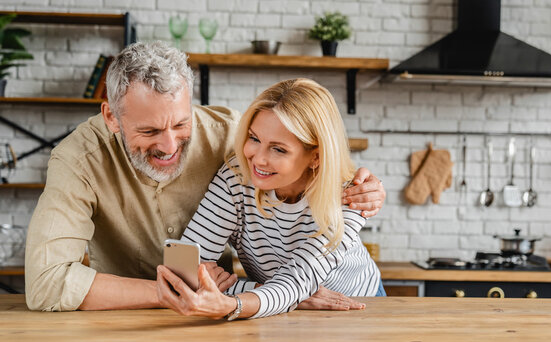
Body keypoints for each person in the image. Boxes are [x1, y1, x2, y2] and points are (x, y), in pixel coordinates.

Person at [24, 42, 386, 312]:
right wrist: (191, 291)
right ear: (112, 117)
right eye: (149, 130)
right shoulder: (78, 160)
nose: (169, 146)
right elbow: (46, 284)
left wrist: (369, 191)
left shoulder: (233, 138)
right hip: (146, 312)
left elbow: (317, 158)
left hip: (353, 305)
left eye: (182, 123)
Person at [156, 78, 384, 320]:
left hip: (356, 306)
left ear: (316, 157)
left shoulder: (348, 196)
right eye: (254, 138)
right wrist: (274, 295)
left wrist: (231, 303)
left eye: (278, 149)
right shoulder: (236, 176)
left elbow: (298, 279)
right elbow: (183, 272)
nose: (258, 159)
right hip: (271, 307)